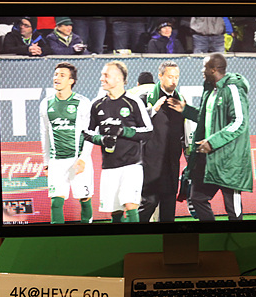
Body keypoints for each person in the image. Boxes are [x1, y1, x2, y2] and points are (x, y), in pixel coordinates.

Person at [167, 53, 253, 221]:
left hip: (229, 161)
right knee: (197, 198)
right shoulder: (210, 89)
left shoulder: (233, 89)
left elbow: (239, 122)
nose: (202, 70)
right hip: (209, 158)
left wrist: (212, 142)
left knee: (233, 211)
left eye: (205, 67)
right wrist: (185, 110)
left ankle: (238, 237)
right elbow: (205, 117)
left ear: (213, 69)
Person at [84, 61, 153, 223]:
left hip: (132, 165)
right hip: (109, 166)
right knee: (115, 211)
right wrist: (101, 139)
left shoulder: (133, 102)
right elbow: (87, 133)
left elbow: (148, 131)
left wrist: (123, 131)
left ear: (119, 78)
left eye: (106, 75)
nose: (102, 78)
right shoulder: (97, 104)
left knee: (130, 204)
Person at [39, 62, 93, 224]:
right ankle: (58, 237)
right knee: (56, 202)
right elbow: (45, 134)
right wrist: (46, 161)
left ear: (71, 81)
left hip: (78, 160)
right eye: (56, 74)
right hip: (56, 161)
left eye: (62, 75)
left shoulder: (82, 102)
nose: (57, 78)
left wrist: (83, 158)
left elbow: (90, 133)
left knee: (84, 198)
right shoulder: (46, 103)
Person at [139, 61, 186, 222]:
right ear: (160, 76)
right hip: (150, 163)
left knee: (168, 208)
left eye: (176, 77)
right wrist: (153, 110)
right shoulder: (145, 98)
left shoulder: (181, 101)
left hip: (171, 162)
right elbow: (134, 123)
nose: (174, 81)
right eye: (170, 77)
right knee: (148, 203)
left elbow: (185, 134)